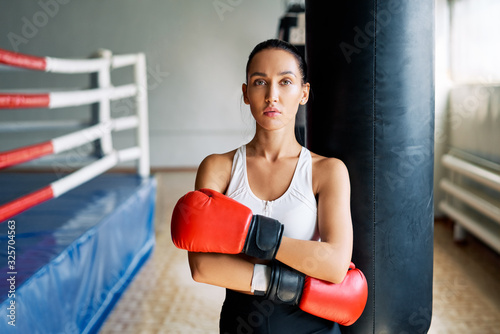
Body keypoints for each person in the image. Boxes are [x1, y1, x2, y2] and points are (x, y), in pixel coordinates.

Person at [181, 39, 354, 333]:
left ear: (304, 93)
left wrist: (250, 239)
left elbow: (336, 265)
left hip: (312, 327)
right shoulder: (218, 168)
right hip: (241, 324)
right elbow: (203, 267)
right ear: (246, 93)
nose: (272, 95)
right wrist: (295, 283)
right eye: (260, 82)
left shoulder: (327, 171)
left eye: (286, 81)